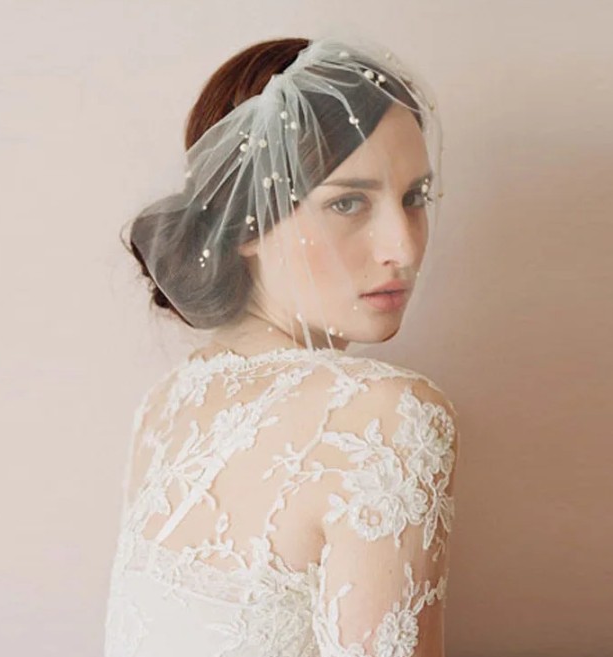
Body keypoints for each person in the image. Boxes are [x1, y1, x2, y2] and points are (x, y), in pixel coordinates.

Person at [105, 35, 461, 657]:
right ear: (244, 221)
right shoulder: (388, 415)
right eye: (348, 202)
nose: (403, 248)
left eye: (414, 198)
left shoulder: (166, 404)